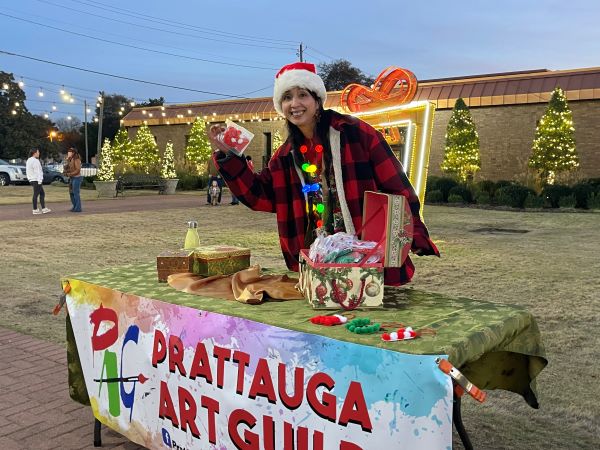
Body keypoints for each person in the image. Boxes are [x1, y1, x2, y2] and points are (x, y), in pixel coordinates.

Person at [209, 62, 439, 286]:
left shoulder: (354, 133)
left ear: (317, 100)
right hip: (318, 261)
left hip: (368, 257)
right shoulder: (285, 156)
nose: (295, 104)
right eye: (287, 97)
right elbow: (260, 196)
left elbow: (396, 185)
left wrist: (414, 233)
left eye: (302, 95)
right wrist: (230, 156)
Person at [26, 149, 51, 215]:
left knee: (42, 193)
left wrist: (29, 179)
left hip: (32, 180)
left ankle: (43, 208)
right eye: (38, 152)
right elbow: (38, 172)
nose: (39, 153)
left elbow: (28, 171)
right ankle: (35, 209)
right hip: (36, 180)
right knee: (36, 194)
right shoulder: (35, 161)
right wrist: (40, 181)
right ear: (34, 153)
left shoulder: (28, 160)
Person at [63, 147, 82, 212]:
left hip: (77, 178)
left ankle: (78, 208)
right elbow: (68, 168)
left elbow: (78, 170)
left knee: (75, 193)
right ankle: (75, 206)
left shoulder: (76, 159)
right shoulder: (70, 159)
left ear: (73, 153)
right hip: (72, 178)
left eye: (70, 152)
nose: (68, 153)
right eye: (68, 152)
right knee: (71, 193)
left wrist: (70, 174)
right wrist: (67, 162)